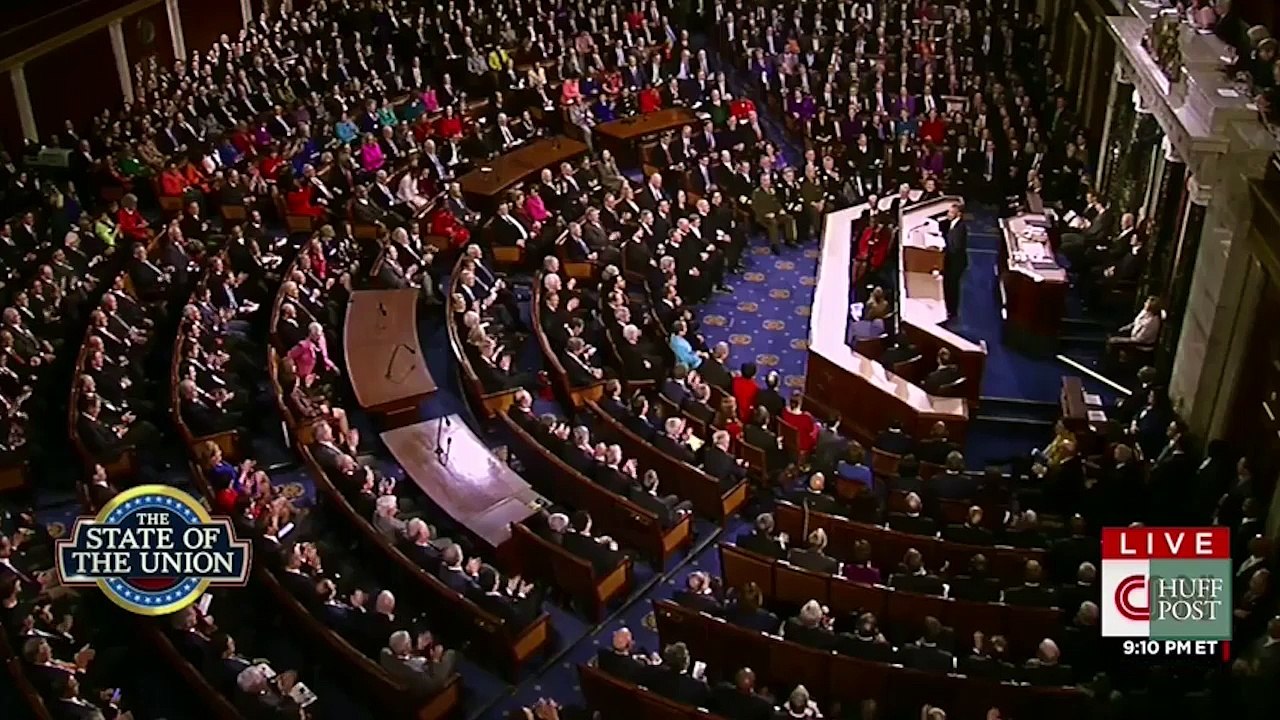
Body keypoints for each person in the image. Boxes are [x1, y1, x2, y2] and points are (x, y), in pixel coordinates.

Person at [942, 202, 968, 319]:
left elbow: (955, 248)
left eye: (951, 212)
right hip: (952, 260)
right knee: (950, 285)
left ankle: (952, 311)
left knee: (952, 286)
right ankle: (950, 309)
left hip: (955, 263)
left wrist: (943, 247)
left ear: (958, 214)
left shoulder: (960, 228)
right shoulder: (953, 224)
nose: (948, 214)